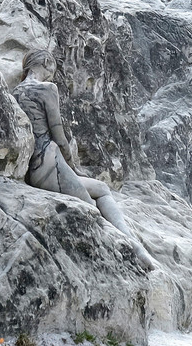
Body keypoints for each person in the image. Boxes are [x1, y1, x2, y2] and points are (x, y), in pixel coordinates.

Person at [13, 49, 158, 271]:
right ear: (46, 62)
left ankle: (136, 247)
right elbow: (59, 136)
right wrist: (73, 165)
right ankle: (136, 251)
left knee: (100, 188)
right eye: (52, 66)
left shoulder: (16, 91)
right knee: (91, 210)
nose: (53, 73)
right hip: (51, 163)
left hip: (35, 169)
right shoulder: (47, 89)